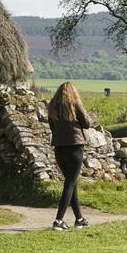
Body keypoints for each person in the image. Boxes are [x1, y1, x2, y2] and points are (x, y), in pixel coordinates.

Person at [48, 81, 94, 231]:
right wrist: (92, 116)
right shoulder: (75, 104)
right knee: (69, 184)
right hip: (75, 148)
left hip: (59, 149)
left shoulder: (52, 106)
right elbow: (86, 123)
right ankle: (59, 220)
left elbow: (52, 127)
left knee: (71, 183)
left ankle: (79, 219)